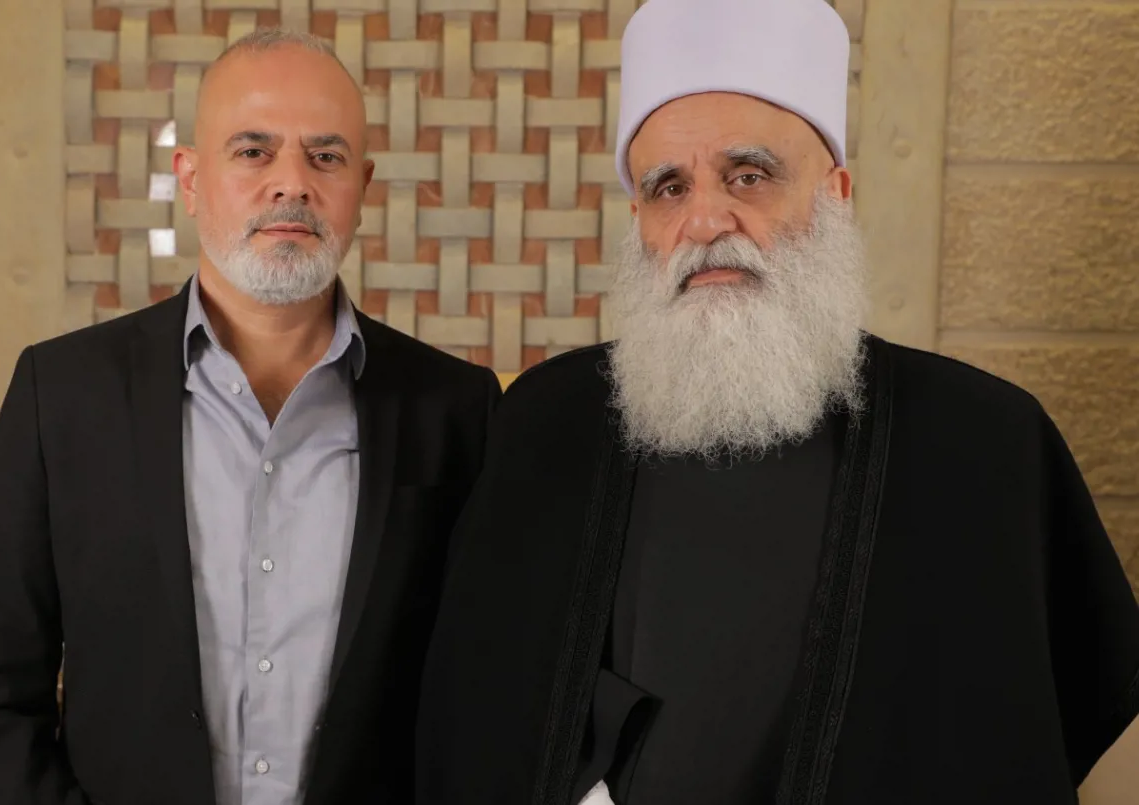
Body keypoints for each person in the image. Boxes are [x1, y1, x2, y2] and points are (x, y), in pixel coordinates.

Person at [414, 0, 1139, 803]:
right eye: (668, 187)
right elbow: (477, 710)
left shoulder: (984, 441)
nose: (704, 220)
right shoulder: (547, 423)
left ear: (836, 195)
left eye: (748, 176)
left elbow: (1024, 735)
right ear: (638, 221)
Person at [0, 29, 502, 805]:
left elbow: (486, 694)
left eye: (326, 156)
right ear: (192, 179)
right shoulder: (62, 395)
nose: (292, 183)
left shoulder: (457, 412)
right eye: (253, 151)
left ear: (362, 185)